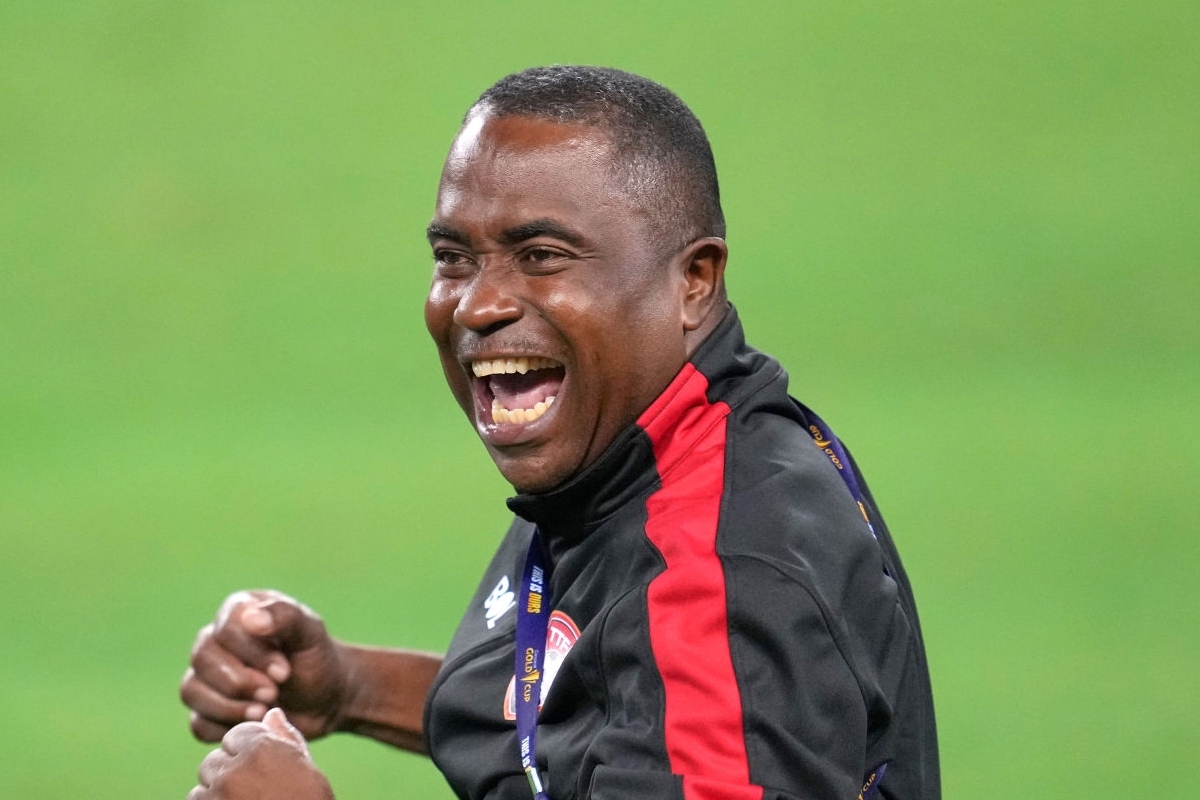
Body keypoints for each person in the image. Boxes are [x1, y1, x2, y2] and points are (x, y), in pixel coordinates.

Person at [181, 65, 940, 800]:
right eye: (453, 258)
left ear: (694, 282)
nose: (478, 307)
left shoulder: (719, 574)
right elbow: (612, 706)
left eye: (540, 256)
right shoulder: (655, 449)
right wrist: (357, 688)